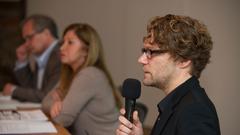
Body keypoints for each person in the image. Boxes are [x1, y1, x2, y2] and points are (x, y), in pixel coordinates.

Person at [116, 14, 221, 135]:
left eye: (151, 52)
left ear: (184, 60)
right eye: (144, 51)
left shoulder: (195, 112)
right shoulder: (178, 103)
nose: (141, 59)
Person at [42, 23, 122, 135]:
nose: (62, 48)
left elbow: (62, 118)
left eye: (70, 43)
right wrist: (54, 103)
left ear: (86, 50)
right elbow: (45, 102)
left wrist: (59, 102)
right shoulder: (71, 74)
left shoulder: (89, 75)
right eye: (63, 42)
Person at [2, 14, 61, 102]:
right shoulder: (43, 54)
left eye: (29, 37)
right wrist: (22, 62)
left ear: (46, 33)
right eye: (25, 39)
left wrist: (14, 90)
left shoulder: (60, 55)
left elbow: (47, 96)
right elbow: (33, 90)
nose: (26, 44)